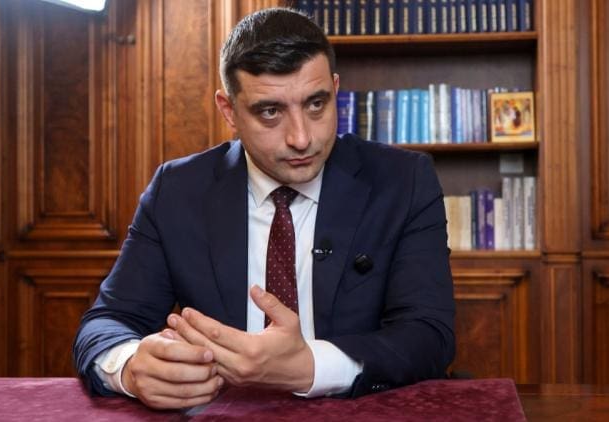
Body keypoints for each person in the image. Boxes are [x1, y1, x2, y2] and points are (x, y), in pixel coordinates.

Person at [73, 7, 455, 410]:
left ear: (335, 88)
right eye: (270, 111)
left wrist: (311, 367)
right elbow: (106, 323)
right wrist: (130, 366)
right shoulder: (177, 191)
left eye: (316, 104)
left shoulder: (404, 181)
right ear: (229, 110)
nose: (301, 138)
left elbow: (429, 336)